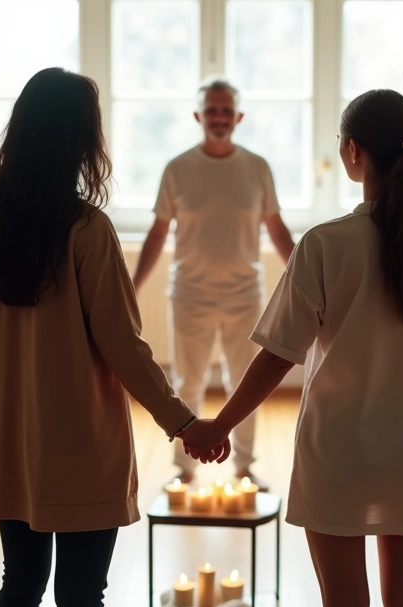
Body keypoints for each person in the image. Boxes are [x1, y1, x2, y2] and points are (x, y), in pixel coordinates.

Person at [184, 89, 403, 607]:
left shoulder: (326, 243)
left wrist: (218, 426)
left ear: (352, 152)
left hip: (336, 453)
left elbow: (278, 354)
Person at [0, 67, 224, 607]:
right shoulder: (88, 229)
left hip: (11, 438)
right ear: (80, 140)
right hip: (82, 444)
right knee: (80, 600)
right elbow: (122, 344)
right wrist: (185, 422)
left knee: (19, 584)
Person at [132, 77, 296, 491]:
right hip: (190, 294)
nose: (219, 118)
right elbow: (157, 232)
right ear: (198, 116)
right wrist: (131, 289)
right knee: (187, 383)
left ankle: (243, 465)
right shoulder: (178, 168)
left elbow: (276, 229)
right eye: (212, 110)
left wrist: (310, 277)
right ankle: (184, 468)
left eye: (226, 111)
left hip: (245, 294)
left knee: (245, 383)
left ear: (238, 116)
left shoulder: (257, 167)